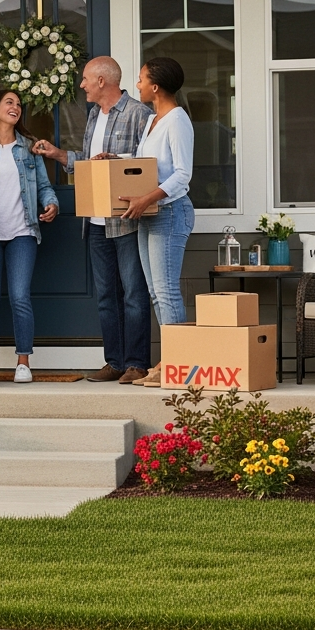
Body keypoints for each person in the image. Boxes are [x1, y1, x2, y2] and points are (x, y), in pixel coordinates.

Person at [32, 57, 155, 384]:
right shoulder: (92, 116)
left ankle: (137, 364)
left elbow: (150, 163)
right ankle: (114, 361)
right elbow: (88, 165)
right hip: (96, 221)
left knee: (133, 294)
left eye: (86, 79)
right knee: (106, 297)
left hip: (126, 219)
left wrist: (118, 161)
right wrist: (59, 155)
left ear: (103, 81)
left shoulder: (137, 114)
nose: (82, 85)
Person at [0, 90, 59, 384]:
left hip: (23, 232)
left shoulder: (28, 148)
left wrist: (52, 203)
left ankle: (23, 361)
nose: (16, 107)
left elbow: (44, 186)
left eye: (19, 104)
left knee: (20, 297)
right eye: (9, 102)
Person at [121, 57, 194, 387]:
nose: (137, 86)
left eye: (140, 80)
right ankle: (168, 362)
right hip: (149, 213)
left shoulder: (177, 121)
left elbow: (182, 174)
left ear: (155, 86)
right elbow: (150, 166)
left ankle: (178, 365)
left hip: (169, 212)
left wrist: (147, 199)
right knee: (154, 292)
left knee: (166, 293)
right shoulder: (153, 120)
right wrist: (117, 160)